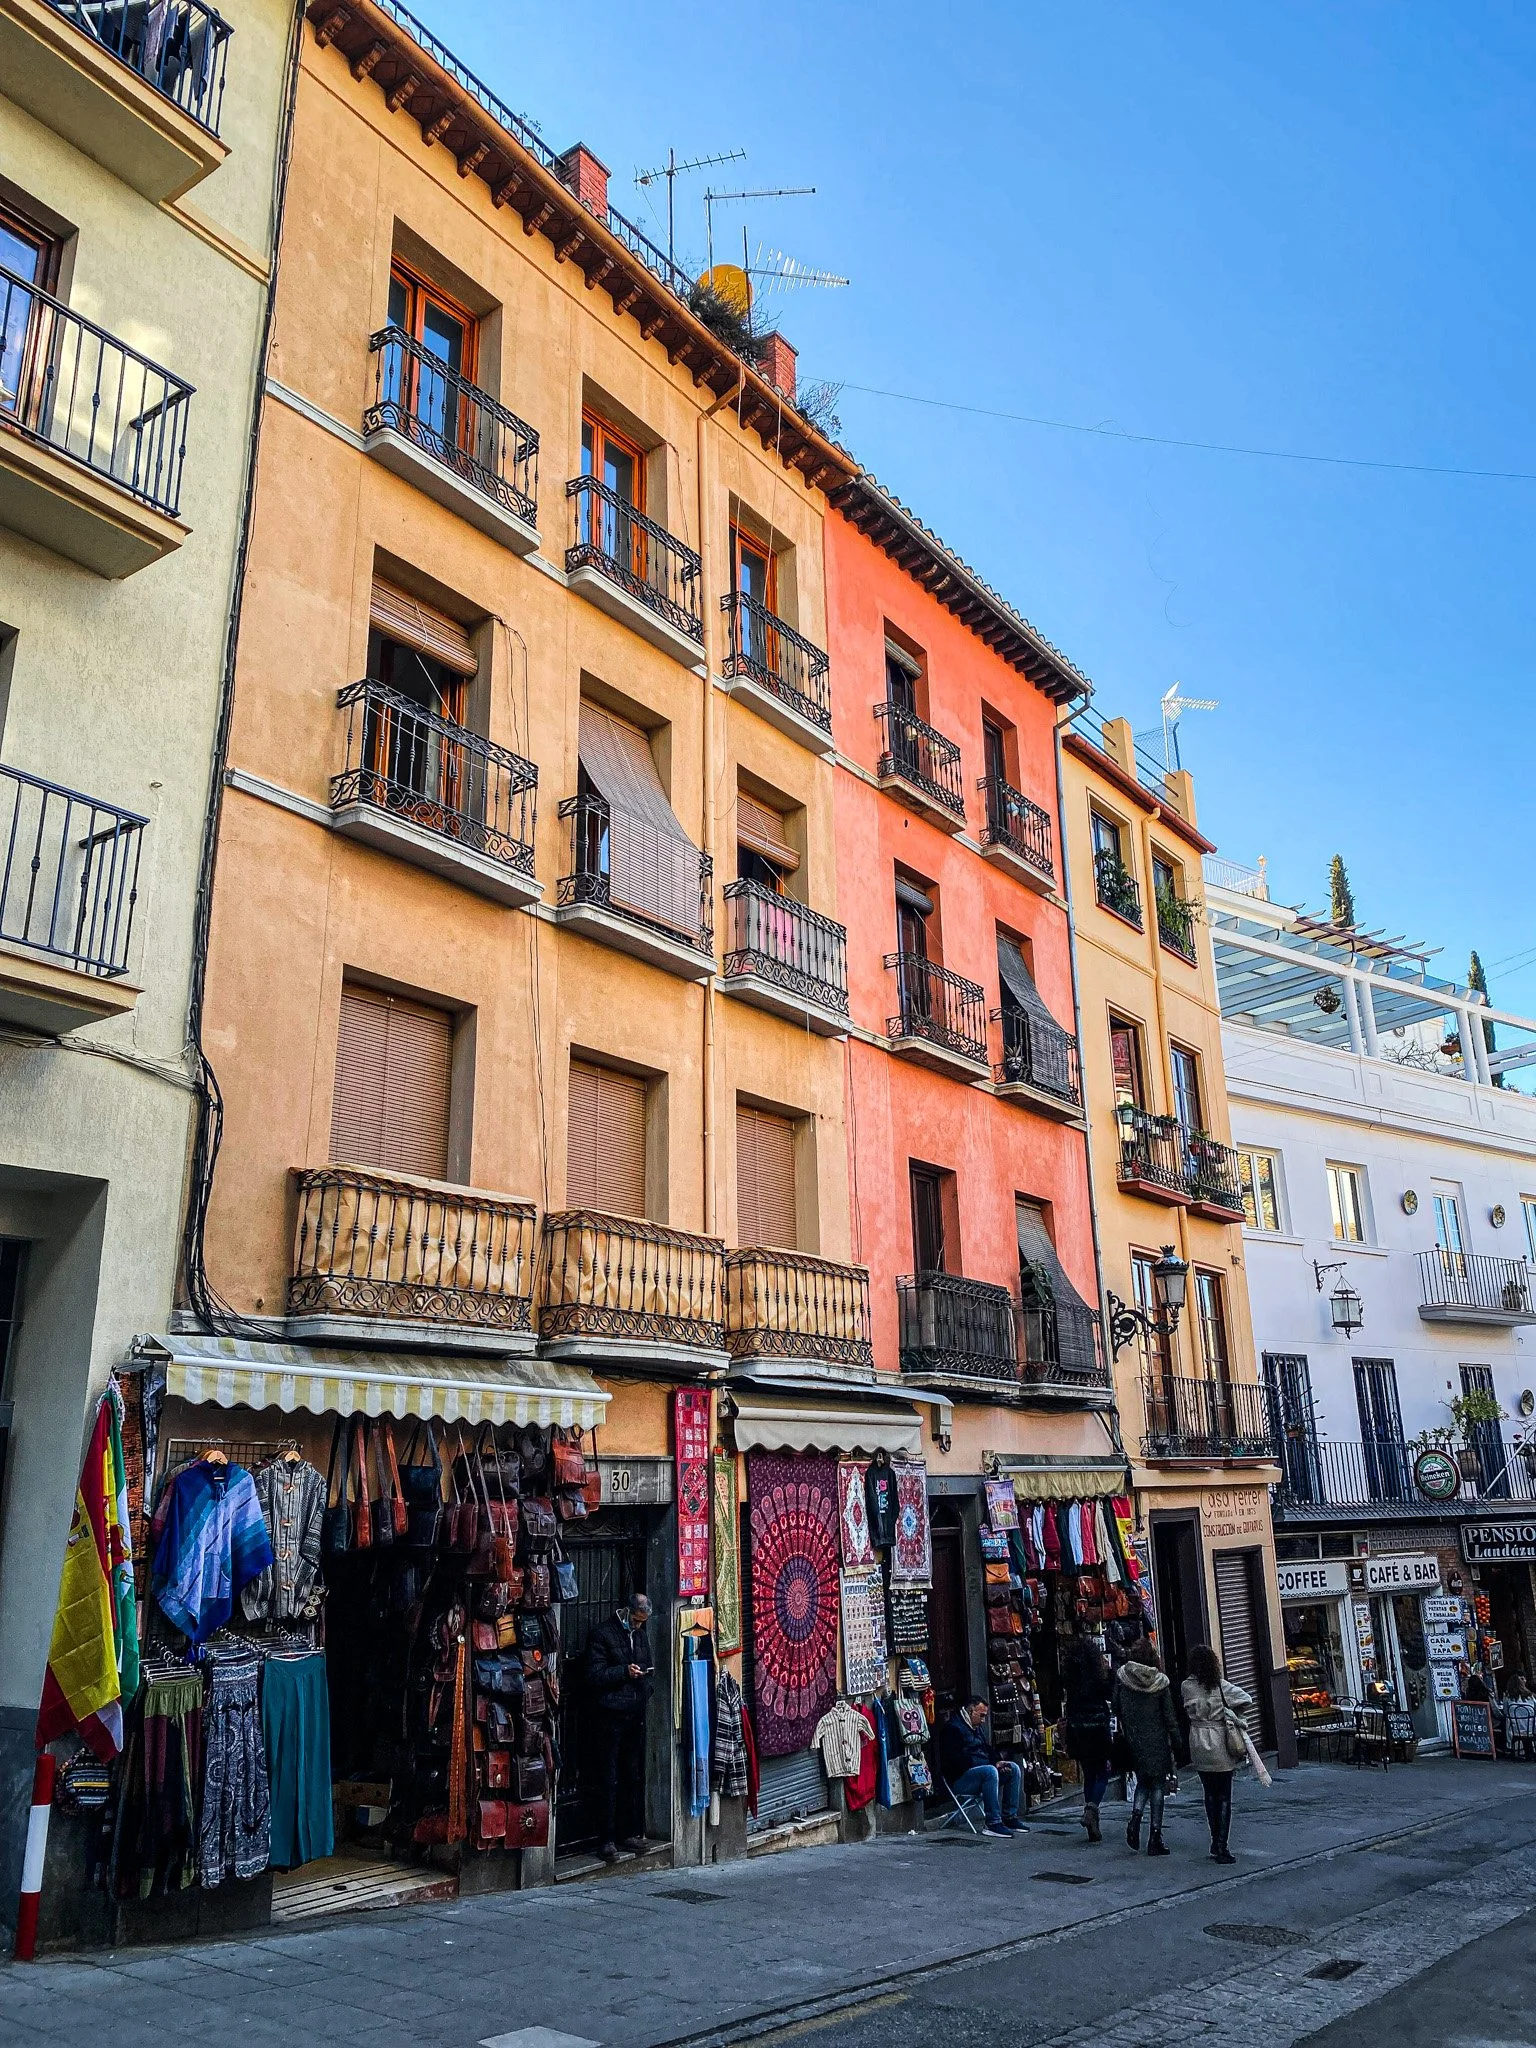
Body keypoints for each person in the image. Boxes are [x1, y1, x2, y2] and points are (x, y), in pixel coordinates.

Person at [586, 1591, 655, 1862]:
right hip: (609, 1715)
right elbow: (593, 1675)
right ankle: (606, 1839)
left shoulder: (639, 1635)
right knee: (608, 1778)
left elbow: (648, 1665)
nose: (638, 1627)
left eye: (642, 1623)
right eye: (636, 1621)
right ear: (626, 1611)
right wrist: (624, 1672)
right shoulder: (603, 1635)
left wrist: (644, 1688)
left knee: (632, 1775)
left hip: (633, 1713)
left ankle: (629, 1832)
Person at [1180, 1642, 1252, 1865]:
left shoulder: (1186, 1687)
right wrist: (1229, 1712)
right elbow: (1246, 1698)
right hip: (1219, 1740)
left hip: (1198, 1741)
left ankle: (1214, 1838)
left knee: (1209, 1793)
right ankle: (1221, 1845)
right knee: (1224, 1796)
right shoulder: (1220, 1686)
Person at [1114, 1636, 1180, 1856]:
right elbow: (1169, 1716)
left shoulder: (1123, 1678)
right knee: (1158, 1786)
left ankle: (1135, 1819)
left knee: (1143, 1781)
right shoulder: (1160, 1683)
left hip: (1134, 1739)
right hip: (1157, 1740)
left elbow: (1115, 1705)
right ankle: (1155, 1836)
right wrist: (1177, 1741)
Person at [937, 1693, 1023, 1838]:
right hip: (961, 1779)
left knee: (1013, 1768)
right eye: (981, 1715)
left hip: (981, 1774)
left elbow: (986, 1749)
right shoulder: (953, 1729)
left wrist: (997, 1761)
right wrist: (988, 1765)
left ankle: (1009, 1817)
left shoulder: (976, 1727)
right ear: (970, 1711)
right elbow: (954, 1763)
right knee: (989, 1771)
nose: (983, 1720)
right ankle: (993, 1822)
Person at [1061, 1637, 1114, 1844]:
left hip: (1078, 1729)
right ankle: (1091, 1809)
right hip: (1098, 1727)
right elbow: (1110, 1693)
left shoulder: (1071, 1678)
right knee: (1103, 1772)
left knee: (1089, 1773)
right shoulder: (1097, 1677)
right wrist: (1109, 1673)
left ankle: (1093, 1824)